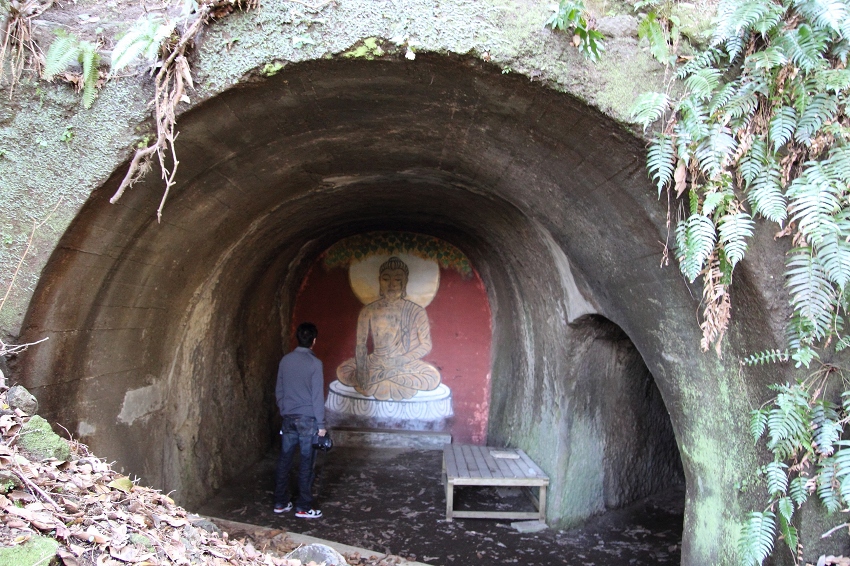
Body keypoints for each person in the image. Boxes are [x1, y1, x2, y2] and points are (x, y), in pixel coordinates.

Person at [337, 256, 441, 401]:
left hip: (404, 364)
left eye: (397, 279)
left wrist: (401, 360)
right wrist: (361, 369)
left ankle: (383, 377)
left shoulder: (416, 311)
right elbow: (360, 345)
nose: (391, 284)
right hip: (375, 362)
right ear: (379, 281)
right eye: (386, 279)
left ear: (404, 282)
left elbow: (426, 345)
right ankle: (388, 376)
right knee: (344, 371)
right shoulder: (369, 310)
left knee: (432, 377)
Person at [273, 322, 326, 519]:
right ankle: (303, 506)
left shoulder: (285, 360)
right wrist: (321, 425)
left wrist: (284, 408)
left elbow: (279, 389)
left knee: (284, 460)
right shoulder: (315, 364)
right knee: (306, 462)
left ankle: (280, 502)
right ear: (314, 340)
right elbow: (317, 397)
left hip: (288, 417)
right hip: (308, 420)